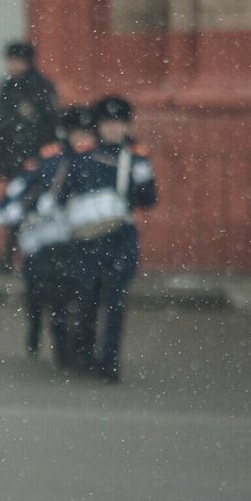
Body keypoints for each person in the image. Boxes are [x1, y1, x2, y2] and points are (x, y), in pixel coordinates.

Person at [0, 105, 96, 364]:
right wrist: (10, 210)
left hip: (79, 240)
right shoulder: (51, 159)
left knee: (74, 298)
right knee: (42, 294)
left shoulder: (96, 160)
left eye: (85, 133)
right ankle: (39, 331)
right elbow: (23, 186)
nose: (81, 139)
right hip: (46, 240)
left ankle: (70, 349)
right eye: (77, 133)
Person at [62, 95, 157, 382]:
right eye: (108, 123)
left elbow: (149, 198)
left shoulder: (137, 156)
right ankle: (85, 352)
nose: (114, 129)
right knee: (87, 297)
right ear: (99, 126)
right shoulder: (83, 156)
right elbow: (67, 193)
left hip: (120, 236)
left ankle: (110, 360)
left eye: (119, 123)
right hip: (89, 238)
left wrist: (138, 185)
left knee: (116, 301)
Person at [0, 41, 59, 272]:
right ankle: (10, 255)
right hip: (13, 159)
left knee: (35, 207)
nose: (12, 65)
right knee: (14, 209)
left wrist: (41, 158)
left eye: (16, 60)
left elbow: (49, 125)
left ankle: (34, 256)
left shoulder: (41, 87)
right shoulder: (8, 87)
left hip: (35, 160)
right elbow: (1, 127)